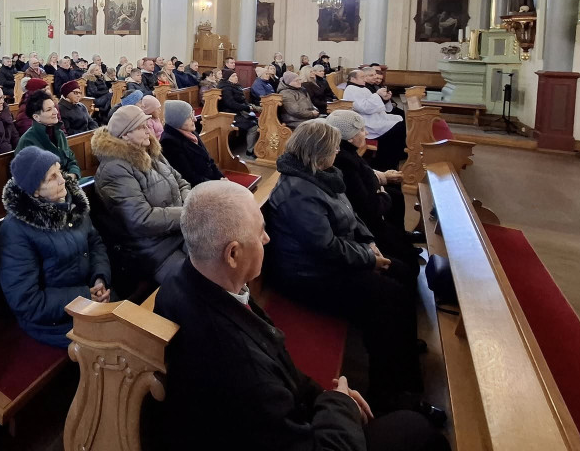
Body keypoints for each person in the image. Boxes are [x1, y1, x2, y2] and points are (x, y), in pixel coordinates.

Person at [155, 180, 446, 451]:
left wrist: (328, 399)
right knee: (418, 432)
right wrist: (340, 404)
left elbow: (277, 364)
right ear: (232, 255)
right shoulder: (240, 364)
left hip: (272, 415)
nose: (267, 238)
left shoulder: (183, 281)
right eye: (260, 232)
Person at [262, 121, 428, 413]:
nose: (338, 152)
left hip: (328, 262)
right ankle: (390, 395)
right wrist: (368, 258)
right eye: (333, 148)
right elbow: (324, 246)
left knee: (401, 276)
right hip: (308, 275)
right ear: (317, 152)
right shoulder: (298, 191)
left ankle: (402, 353)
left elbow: (351, 214)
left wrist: (369, 243)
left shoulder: (322, 175)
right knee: (387, 301)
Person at [0, 147, 111, 347]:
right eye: (52, 177)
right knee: (121, 347)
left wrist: (100, 278)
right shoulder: (16, 230)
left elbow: (95, 243)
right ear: (35, 191)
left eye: (60, 171)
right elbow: (27, 301)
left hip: (91, 299)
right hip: (55, 320)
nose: (62, 180)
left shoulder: (72, 206)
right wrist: (85, 296)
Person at [91, 105, 190, 285]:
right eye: (141, 127)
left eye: (147, 125)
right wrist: (188, 213)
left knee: (218, 256)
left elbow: (180, 181)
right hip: (152, 248)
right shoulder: (114, 169)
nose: (148, 131)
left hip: (179, 231)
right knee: (194, 283)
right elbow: (140, 219)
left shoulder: (149, 150)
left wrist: (190, 204)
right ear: (125, 135)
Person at [327, 111, 421, 265]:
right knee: (408, 262)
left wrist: (382, 176)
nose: (366, 133)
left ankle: (401, 234)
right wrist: (382, 194)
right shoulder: (344, 160)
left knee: (397, 195)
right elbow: (365, 205)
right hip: (365, 218)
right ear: (350, 137)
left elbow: (364, 172)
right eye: (362, 130)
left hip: (370, 200)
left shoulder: (347, 151)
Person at [342, 69, 405, 171]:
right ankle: (385, 163)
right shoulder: (351, 89)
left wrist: (384, 99)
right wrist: (378, 95)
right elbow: (363, 108)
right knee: (398, 128)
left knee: (400, 122)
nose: (365, 79)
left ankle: (396, 157)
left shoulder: (362, 88)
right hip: (365, 122)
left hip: (373, 117)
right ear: (353, 79)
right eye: (362, 77)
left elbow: (373, 105)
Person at [159, 100, 223, 188]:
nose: (195, 119)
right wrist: (217, 185)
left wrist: (221, 178)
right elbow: (189, 177)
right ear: (178, 120)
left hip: (209, 181)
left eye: (193, 115)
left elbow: (209, 160)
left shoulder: (190, 132)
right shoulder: (168, 143)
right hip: (197, 188)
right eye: (189, 117)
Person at [16, 91, 81, 177]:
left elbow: (71, 160)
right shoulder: (28, 141)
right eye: (49, 110)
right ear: (36, 117)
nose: (56, 112)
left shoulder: (59, 133)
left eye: (54, 107)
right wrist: (62, 180)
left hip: (69, 180)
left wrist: (73, 174)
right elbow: (34, 176)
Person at [219, 68, 258, 157]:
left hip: (237, 112)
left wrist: (248, 106)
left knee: (256, 121)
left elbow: (242, 100)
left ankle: (252, 146)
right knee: (253, 126)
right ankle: (250, 150)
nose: (236, 77)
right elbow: (230, 104)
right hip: (229, 115)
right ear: (228, 78)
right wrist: (246, 107)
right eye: (233, 76)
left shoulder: (235, 86)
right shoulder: (226, 88)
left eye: (236, 75)